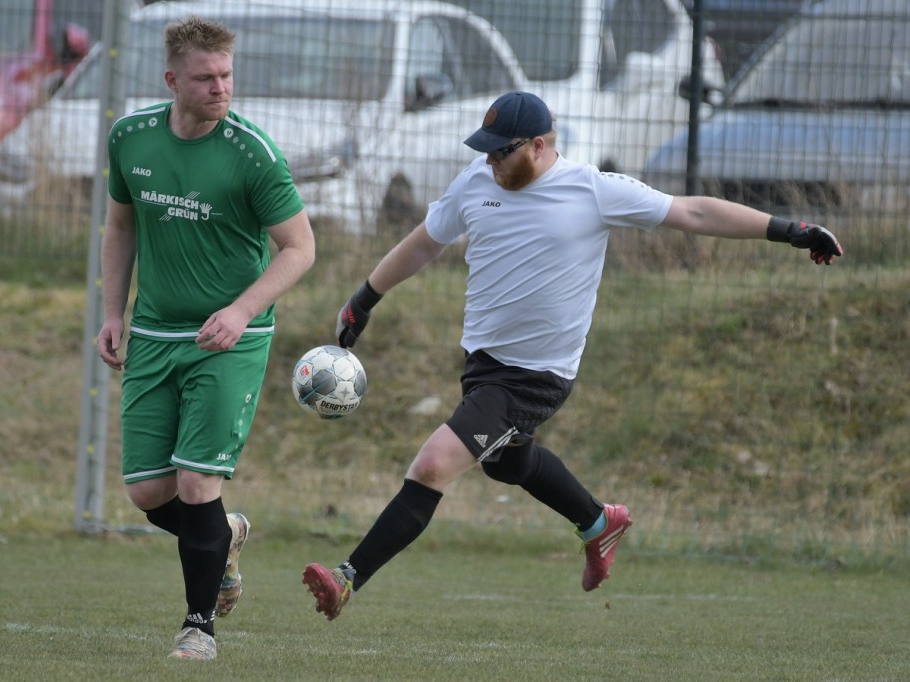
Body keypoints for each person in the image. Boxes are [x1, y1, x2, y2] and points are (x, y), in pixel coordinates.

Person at [301, 90, 842, 621]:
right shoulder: (475, 183)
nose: (490, 162)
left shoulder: (592, 190)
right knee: (507, 464)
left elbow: (694, 212)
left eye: (500, 151)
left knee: (433, 464)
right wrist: (363, 299)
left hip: (536, 376)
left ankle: (347, 577)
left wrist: (791, 231)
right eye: (484, 151)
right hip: (484, 365)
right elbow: (425, 241)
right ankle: (598, 522)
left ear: (538, 146)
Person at [97, 16, 315, 659]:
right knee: (148, 492)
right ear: (172, 80)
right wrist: (112, 314)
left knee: (196, 485)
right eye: (205, 78)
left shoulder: (253, 153)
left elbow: (300, 247)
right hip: (153, 332)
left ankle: (199, 628)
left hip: (230, 340)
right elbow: (120, 227)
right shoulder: (129, 137)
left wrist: (243, 311)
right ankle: (226, 533)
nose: (220, 88)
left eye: (226, 75)